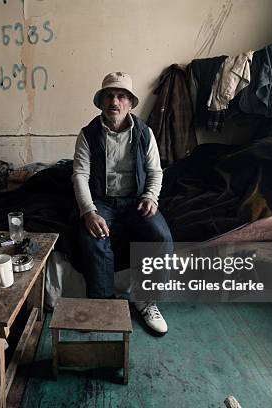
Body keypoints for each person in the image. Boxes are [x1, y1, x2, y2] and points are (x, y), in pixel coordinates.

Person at [72, 72, 173, 336]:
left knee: (161, 236)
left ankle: (145, 300)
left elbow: (156, 171)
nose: (114, 101)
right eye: (109, 95)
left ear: (129, 102)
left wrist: (151, 196)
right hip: (102, 201)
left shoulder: (144, 132)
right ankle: (103, 305)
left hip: (135, 201)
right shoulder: (88, 134)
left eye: (121, 96)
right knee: (93, 240)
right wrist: (89, 211)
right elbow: (80, 175)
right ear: (101, 101)